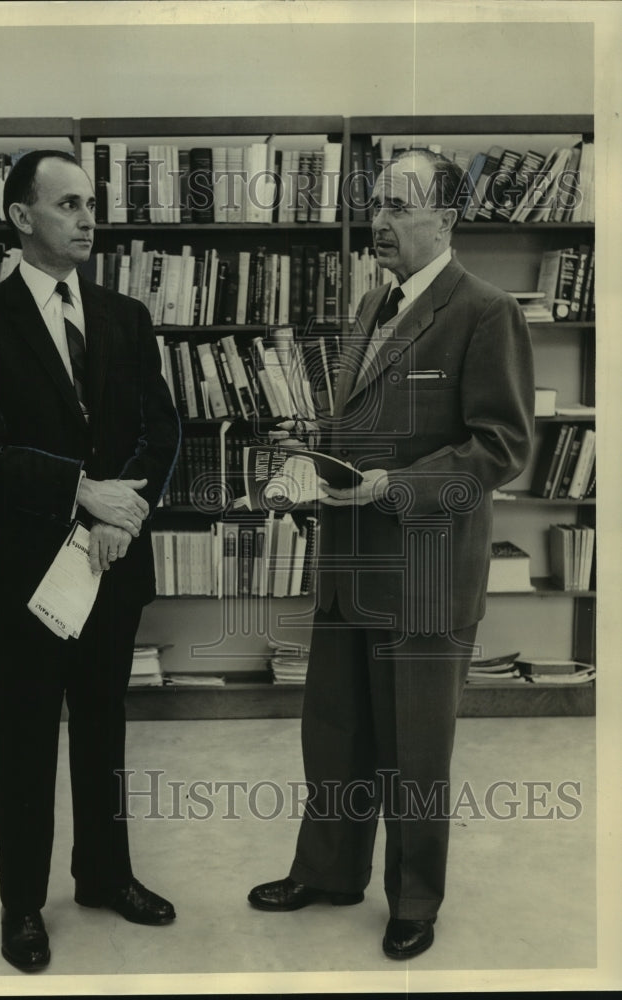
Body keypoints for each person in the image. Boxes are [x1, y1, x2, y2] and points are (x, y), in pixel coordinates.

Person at [248, 149, 534, 960]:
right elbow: (366, 427)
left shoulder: (485, 310)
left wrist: (395, 486)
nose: (381, 219)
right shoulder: (375, 302)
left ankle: (413, 901)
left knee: (414, 749)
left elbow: (501, 446)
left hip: (424, 571)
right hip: (349, 566)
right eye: (376, 203)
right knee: (334, 732)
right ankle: (330, 873)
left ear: (446, 220)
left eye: (400, 206)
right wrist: (313, 451)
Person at [0, 149, 181, 972]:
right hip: (24, 577)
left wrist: (125, 513)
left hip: (111, 563)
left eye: (92, 204)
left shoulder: (125, 317)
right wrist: (86, 492)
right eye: (69, 204)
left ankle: (105, 877)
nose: (88, 219)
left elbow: (161, 429)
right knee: (28, 739)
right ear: (20, 215)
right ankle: (21, 906)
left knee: (105, 730)